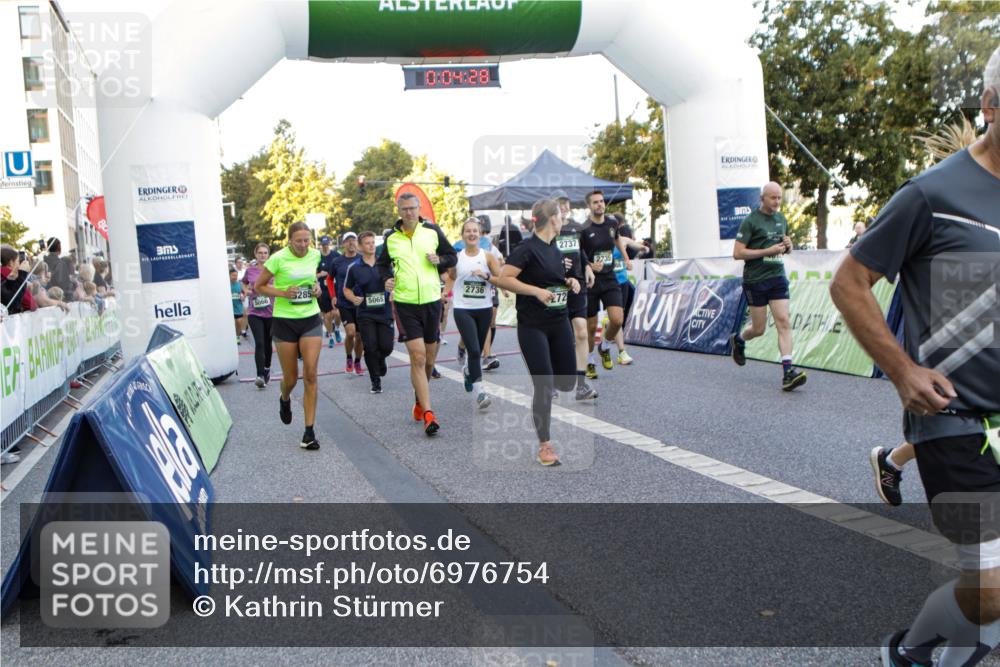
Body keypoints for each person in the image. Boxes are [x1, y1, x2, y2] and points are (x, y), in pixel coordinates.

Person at [830, 45, 1000, 667]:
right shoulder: (932, 194)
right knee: (990, 590)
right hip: (953, 416)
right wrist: (902, 371)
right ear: (989, 107)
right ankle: (912, 649)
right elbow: (849, 283)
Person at [497, 199, 581, 466]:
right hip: (533, 326)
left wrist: (569, 281)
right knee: (543, 385)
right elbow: (504, 277)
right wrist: (535, 291)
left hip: (559, 322)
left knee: (567, 383)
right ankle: (545, 445)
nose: (564, 217)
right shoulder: (526, 248)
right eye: (561, 214)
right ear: (552, 219)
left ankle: (550, 386)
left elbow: (552, 280)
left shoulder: (554, 249)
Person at [377, 192, 457, 436]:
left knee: (430, 360)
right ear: (399, 211)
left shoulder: (432, 231)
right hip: (405, 303)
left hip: (432, 301)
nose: (409, 213)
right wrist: (387, 279)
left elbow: (452, 256)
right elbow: (381, 266)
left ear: (419, 209)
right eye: (404, 209)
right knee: (419, 358)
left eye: (412, 208)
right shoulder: (391, 238)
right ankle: (429, 413)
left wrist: (439, 259)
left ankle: (419, 400)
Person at [729, 182, 807, 391]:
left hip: (777, 276)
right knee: (759, 329)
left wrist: (788, 247)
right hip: (755, 279)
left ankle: (788, 373)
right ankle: (739, 339)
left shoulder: (781, 219)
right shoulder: (750, 221)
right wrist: (767, 251)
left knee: (783, 321)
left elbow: (784, 248)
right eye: (773, 198)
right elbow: (737, 253)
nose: (777, 202)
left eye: (779, 198)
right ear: (762, 198)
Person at [254, 221, 324, 450]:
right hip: (284, 321)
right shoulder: (278, 258)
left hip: (310, 318)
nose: (304, 245)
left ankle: (309, 432)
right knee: (291, 378)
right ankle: (284, 398)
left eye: (307, 240)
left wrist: (317, 289)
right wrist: (283, 293)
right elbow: (259, 286)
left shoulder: (314, 255)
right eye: (299, 241)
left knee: (311, 374)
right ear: (289, 240)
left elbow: (313, 281)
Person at [445, 217, 503, 409]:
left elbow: (499, 278)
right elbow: (451, 278)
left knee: (476, 348)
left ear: (480, 234)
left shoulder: (487, 256)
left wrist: (486, 276)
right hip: (463, 309)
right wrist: (445, 293)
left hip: (484, 309)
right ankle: (480, 392)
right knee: (475, 350)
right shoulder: (458, 257)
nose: (471, 234)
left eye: (475, 231)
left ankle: (468, 371)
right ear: (462, 235)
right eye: (468, 231)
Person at [579, 190, 633, 378]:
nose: (600, 205)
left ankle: (605, 345)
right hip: (591, 281)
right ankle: (591, 359)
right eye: (595, 202)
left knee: (617, 320)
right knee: (591, 327)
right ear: (589, 206)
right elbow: (578, 253)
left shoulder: (611, 223)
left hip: (610, 278)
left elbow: (617, 238)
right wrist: (589, 264)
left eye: (602, 201)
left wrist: (626, 258)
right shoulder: (584, 228)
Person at [555, 195, 598, 400]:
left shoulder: (576, 227)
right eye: (560, 206)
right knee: (558, 335)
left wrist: (588, 266)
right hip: (556, 286)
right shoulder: (549, 228)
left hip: (578, 284)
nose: (564, 209)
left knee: (581, 332)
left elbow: (581, 251)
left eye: (566, 206)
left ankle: (581, 385)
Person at [344, 232, 394, 394]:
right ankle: (375, 381)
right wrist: (353, 298)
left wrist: (394, 292)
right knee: (370, 346)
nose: (371, 245)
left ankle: (381, 359)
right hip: (365, 313)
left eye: (373, 242)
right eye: (367, 243)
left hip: (384, 311)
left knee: (386, 346)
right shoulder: (355, 268)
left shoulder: (385, 264)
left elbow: (397, 282)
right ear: (360, 247)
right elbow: (346, 289)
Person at [331, 232, 364, 376]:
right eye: (348, 240)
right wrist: (333, 296)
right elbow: (329, 279)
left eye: (354, 240)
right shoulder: (337, 261)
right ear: (343, 244)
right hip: (344, 302)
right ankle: (349, 358)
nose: (351, 243)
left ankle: (357, 361)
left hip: (360, 301)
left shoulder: (362, 259)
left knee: (360, 335)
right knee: (350, 333)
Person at [243, 242, 274, 388]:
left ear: (268, 255)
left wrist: (268, 288)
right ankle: (260, 375)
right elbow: (244, 284)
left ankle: (267, 368)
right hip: (255, 312)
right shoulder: (250, 271)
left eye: (265, 253)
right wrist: (247, 291)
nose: (262, 255)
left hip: (271, 312)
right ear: (256, 254)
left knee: (268, 344)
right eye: (260, 253)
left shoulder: (274, 270)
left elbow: (280, 286)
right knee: (260, 343)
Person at [316, 235, 342, 347]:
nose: (325, 247)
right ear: (320, 245)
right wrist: (320, 274)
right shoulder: (317, 257)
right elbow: (312, 274)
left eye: (327, 244)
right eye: (323, 245)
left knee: (337, 313)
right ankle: (331, 336)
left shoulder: (336, 255)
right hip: (323, 290)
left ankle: (336, 328)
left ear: (330, 244)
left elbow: (342, 270)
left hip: (335, 288)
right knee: (327, 316)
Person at [1, 245, 37, 315]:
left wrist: (13, 276)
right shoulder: (3, 277)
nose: (19, 263)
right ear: (11, 263)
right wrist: (23, 273)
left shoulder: (7, 277)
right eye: (18, 261)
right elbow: (14, 302)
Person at [229, 266, 245, 344]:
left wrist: (243, 296)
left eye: (236, 275)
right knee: (230, 324)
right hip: (229, 309)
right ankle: (231, 337)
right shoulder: (226, 285)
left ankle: (237, 336)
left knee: (238, 322)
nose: (235, 277)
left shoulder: (240, 284)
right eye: (233, 275)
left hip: (238, 307)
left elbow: (244, 293)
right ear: (229, 275)